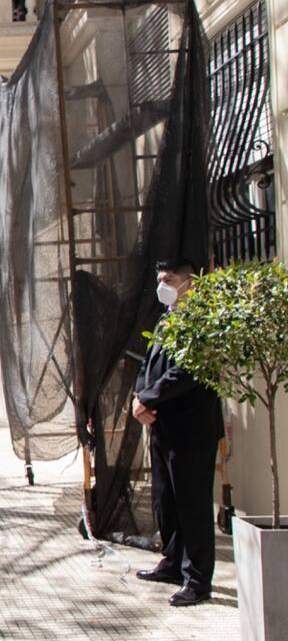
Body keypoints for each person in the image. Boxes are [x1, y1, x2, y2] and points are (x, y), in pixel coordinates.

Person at [131, 258, 223, 607]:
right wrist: (139, 396)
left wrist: (148, 398)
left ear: (190, 282)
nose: (163, 286)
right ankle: (172, 562)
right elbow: (148, 363)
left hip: (191, 428)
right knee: (166, 499)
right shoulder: (166, 317)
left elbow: (187, 372)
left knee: (192, 503)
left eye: (169, 279)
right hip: (161, 423)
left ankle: (197, 579)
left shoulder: (201, 320)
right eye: (160, 279)